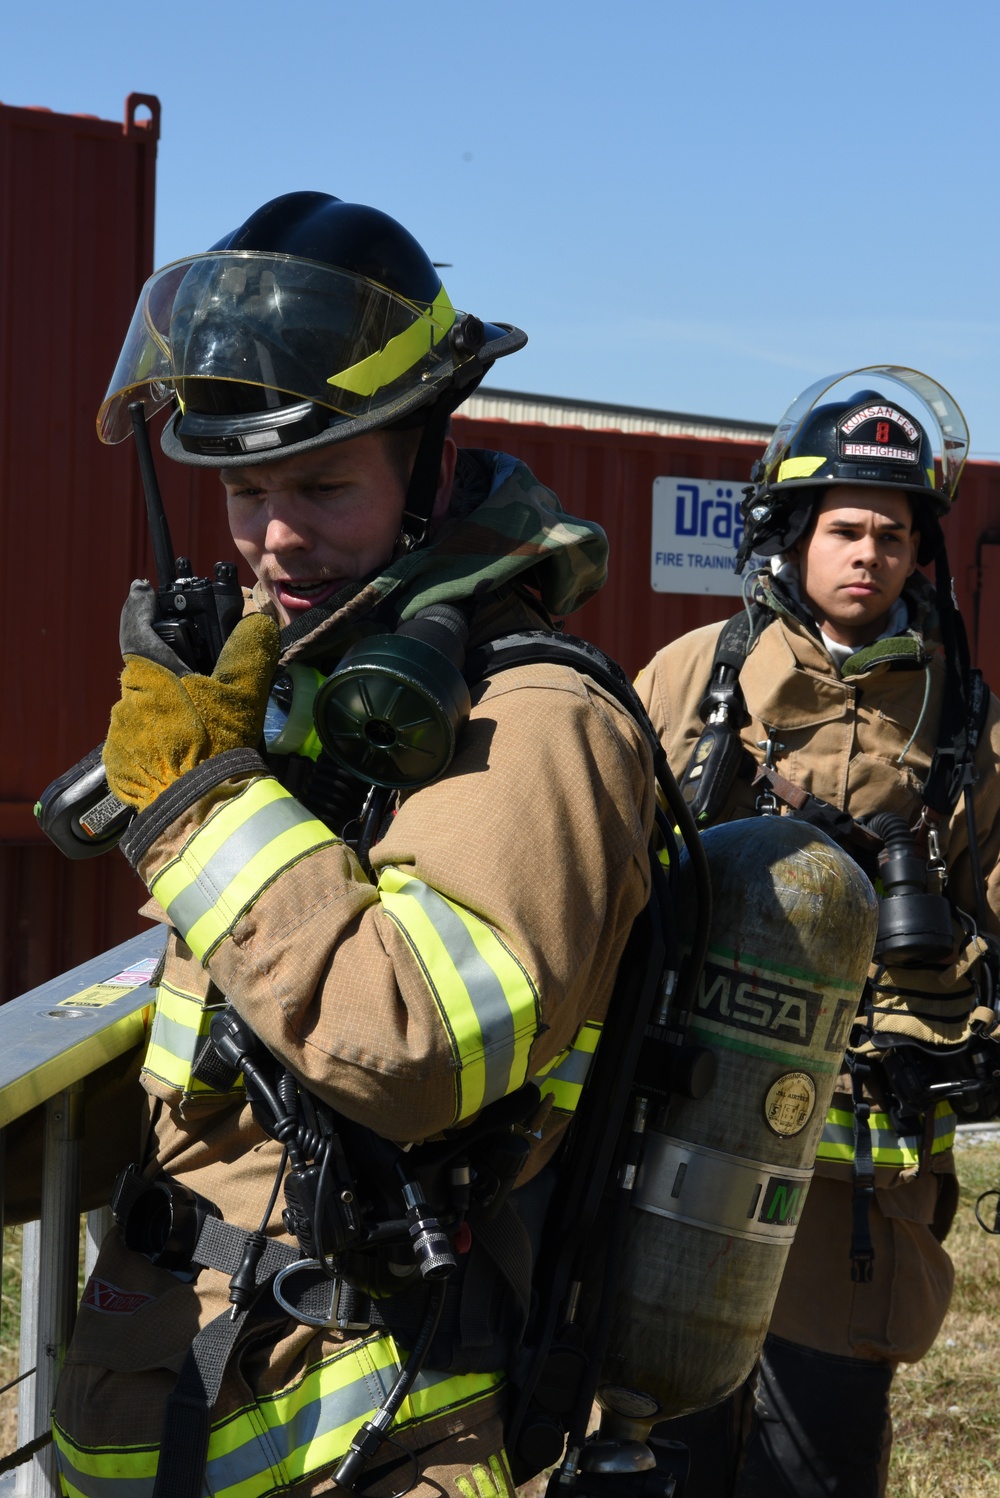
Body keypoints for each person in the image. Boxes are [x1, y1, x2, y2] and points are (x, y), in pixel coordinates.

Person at [49, 191, 655, 1498]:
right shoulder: (305, 700)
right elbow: (220, 1046)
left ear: (430, 467)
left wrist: (201, 802)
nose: (274, 535)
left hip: (373, 1422)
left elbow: (422, 1037)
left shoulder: (532, 715)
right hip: (204, 1387)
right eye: (246, 489)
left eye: (324, 484)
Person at [635, 369, 1000, 1498]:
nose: (869, 553)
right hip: (683, 1130)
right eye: (843, 526)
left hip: (860, 1180)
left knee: (822, 1462)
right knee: (662, 1438)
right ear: (792, 535)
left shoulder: (961, 714)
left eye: (892, 533)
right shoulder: (700, 676)